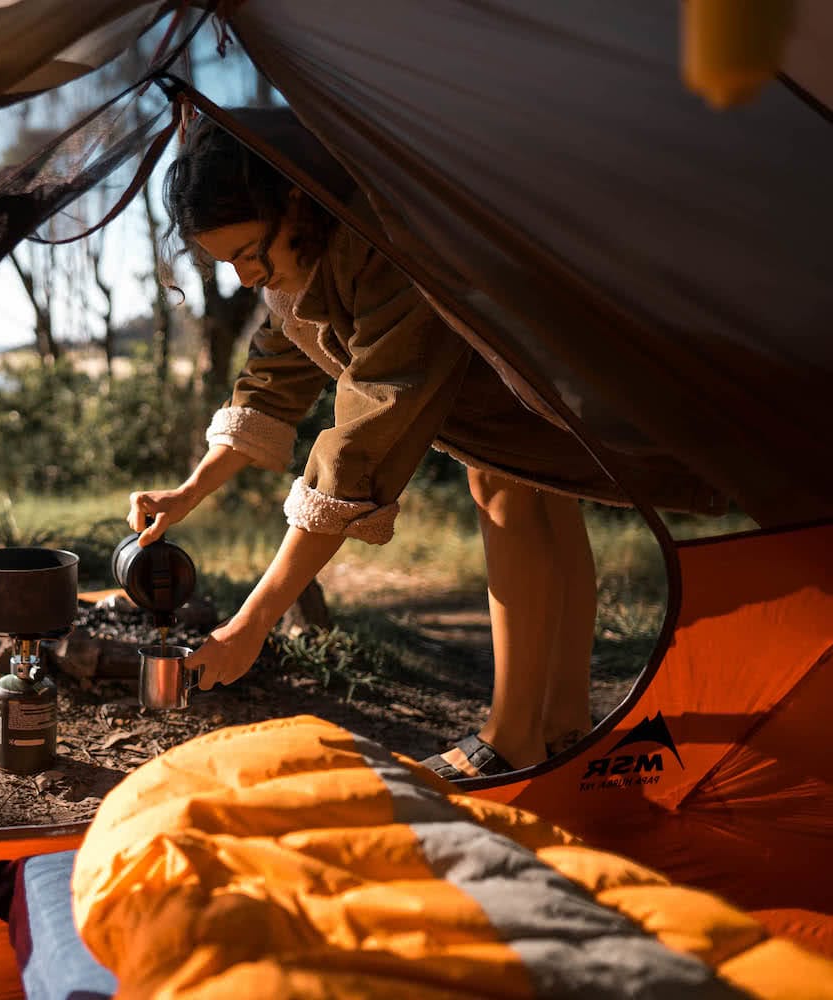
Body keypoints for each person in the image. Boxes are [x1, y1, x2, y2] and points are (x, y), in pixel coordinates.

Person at [126, 108, 711, 779]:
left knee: (506, 486)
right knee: (533, 493)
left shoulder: (382, 241)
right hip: (523, 387)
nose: (245, 278)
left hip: (570, 352)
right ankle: (562, 728)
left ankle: (513, 738)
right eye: (227, 262)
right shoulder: (307, 258)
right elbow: (270, 378)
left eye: (249, 253)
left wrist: (251, 623)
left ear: (291, 198)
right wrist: (189, 490)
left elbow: (360, 443)